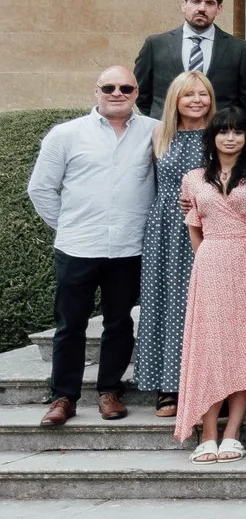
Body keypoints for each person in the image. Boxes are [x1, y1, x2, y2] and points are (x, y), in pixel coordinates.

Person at [28, 67, 158, 425]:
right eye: (109, 87)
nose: (117, 93)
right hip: (78, 247)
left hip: (129, 247)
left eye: (126, 87)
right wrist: (69, 224)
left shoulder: (153, 131)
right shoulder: (66, 135)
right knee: (70, 325)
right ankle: (63, 397)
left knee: (119, 323)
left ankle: (110, 391)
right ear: (96, 91)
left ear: (136, 92)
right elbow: (41, 189)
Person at [173, 108, 246, 460]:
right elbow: (194, 224)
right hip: (211, 262)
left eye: (238, 131)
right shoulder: (193, 178)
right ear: (213, 136)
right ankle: (207, 432)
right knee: (210, 346)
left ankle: (233, 431)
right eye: (224, 131)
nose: (231, 137)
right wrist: (208, 255)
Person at [133, 71, 213, 416]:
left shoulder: (219, 134)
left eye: (203, 94)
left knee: (205, 305)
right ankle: (168, 385)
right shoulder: (158, 135)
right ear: (175, 101)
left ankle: (206, 382)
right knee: (165, 303)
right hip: (165, 229)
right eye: (188, 95)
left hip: (207, 226)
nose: (197, 100)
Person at [134, 0, 246, 117]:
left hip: (217, 131)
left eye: (210, 3)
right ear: (184, 5)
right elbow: (140, 93)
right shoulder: (156, 44)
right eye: (196, 1)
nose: (202, 8)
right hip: (167, 129)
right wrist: (160, 118)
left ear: (219, 9)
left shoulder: (238, 48)